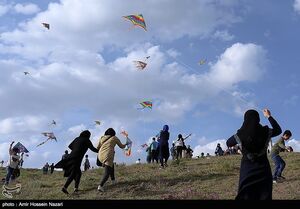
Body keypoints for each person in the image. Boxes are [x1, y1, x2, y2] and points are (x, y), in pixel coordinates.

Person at [226, 109, 282, 200]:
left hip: (247, 170)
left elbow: (228, 143)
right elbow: (278, 130)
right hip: (263, 169)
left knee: (245, 195)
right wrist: (268, 116)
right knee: (264, 195)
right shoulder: (266, 131)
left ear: (245, 119)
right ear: (258, 119)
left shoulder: (240, 134)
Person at [55, 130, 98, 194]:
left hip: (71, 156)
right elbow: (93, 149)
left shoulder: (77, 138)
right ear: (88, 135)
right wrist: (100, 150)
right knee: (73, 173)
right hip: (77, 158)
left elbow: (70, 146)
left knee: (78, 173)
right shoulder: (87, 140)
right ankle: (65, 187)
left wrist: (76, 148)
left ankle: (76, 189)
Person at [97, 128, 127, 192]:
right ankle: (100, 186)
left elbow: (97, 147)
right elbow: (122, 146)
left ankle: (113, 180)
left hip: (100, 155)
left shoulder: (102, 138)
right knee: (107, 172)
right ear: (113, 133)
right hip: (108, 155)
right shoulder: (114, 138)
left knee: (111, 165)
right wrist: (126, 143)